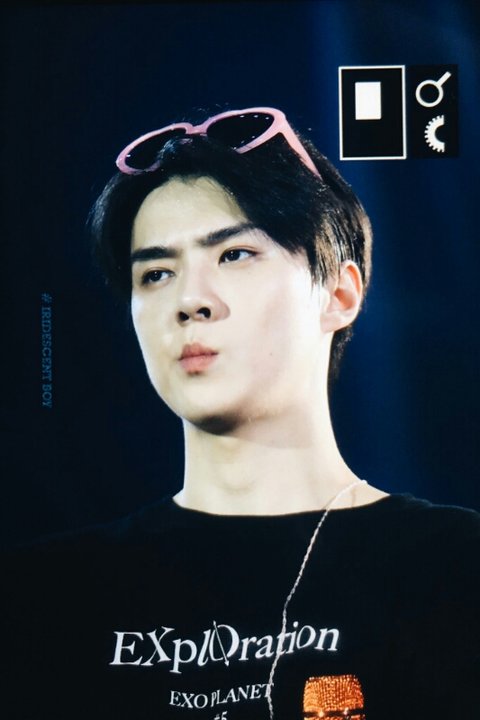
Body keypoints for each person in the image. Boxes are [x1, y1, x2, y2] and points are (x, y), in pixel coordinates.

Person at [4, 107, 479, 720]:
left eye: (234, 255)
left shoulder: (455, 568)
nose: (189, 301)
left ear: (339, 293)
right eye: (156, 273)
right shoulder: (40, 596)